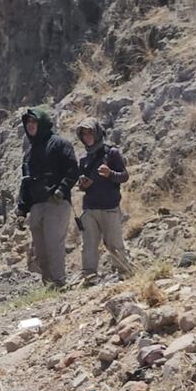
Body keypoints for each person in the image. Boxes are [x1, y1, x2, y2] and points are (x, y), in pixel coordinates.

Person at [16, 108, 79, 288]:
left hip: (55, 203)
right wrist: (22, 209)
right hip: (36, 206)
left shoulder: (59, 144)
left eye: (34, 122)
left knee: (53, 244)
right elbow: (25, 183)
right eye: (28, 123)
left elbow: (72, 170)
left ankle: (59, 283)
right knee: (40, 251)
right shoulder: (29, 153)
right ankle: (49, 285)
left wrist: (61, 190)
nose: (30, 126)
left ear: (42, 123)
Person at [76, 118, 132, 282]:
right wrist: (83, 185)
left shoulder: (111, 153)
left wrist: (110, 174)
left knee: (114, 243)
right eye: (83, 134)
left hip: (109, 207)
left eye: (90, 132)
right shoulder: (84, 160)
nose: (87, 137)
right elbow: (81, 185)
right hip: (90, 208)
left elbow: (124, 176)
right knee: (89, 245)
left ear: (97, 133)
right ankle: (89, 276)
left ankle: (124, 274)